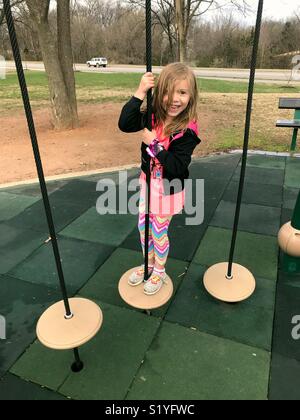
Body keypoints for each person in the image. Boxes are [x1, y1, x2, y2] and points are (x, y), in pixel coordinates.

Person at [118, 62, 201, 295]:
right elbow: (124, 124)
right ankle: (149, 265)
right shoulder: (155, 116)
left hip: (169, 189)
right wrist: (140, 92)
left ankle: (160, 271)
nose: (174, 99)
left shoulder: (187, 131)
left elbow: (177, 166)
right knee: (143, 226)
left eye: (182, 92)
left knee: (157, 231)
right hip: (148, 183)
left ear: (191, 96)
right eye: (167, 92)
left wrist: (154, 145)